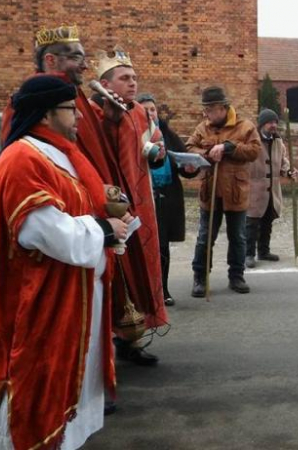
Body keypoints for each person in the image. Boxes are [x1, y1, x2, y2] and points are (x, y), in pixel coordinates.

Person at [0, 76, 131, 449]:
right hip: (43, 301)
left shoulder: (60, 152)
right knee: (34, 394)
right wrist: (103, 229)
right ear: (46, 114)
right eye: (71, 110)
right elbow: (43, 232)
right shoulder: (23, 158)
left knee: (68, 396)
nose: (79, 117)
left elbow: (78, 208)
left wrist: (110, 216)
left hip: (74, 296)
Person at [1, 28, 169, 368]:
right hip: (68, 217)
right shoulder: (34, 100)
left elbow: (96, 150)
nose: (84, 64)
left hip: (98, 210)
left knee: (109, 289)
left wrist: (112, 121)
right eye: (77, 56)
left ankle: (112, 348)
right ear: (51, 60)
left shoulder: (78, 98)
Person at [90, 47, 168, 365]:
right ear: (106, 84)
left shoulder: (140, 112)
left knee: (139, 271)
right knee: (114, 273)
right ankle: (100, 346)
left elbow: (156, 142)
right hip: (108, 204)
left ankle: (131, 339)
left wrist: (158, 152)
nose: (133, 83)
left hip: (142, 201)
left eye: (134, 77)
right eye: (124, 78)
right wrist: (111, 119)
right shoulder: (93, 113)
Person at [187, 85, 261, 297]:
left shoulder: (245, 126)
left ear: (222, 108)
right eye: (205, 110)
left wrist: (229, 148)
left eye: (210, 110)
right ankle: (200, 277)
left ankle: (236, 276)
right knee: (205, 237)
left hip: (236, 191)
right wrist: (208, 152)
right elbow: (190, 147)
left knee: (237, 237)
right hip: (210, 190)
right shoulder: (203, 128)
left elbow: (254, 151)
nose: (206, 114)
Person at [137, 94, 196, 306]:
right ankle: (143, 292)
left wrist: (190, 169)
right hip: (143, 198)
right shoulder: (134, 134)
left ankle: (163, 290)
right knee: (142, 247)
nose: (150, 114)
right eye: (144, 110)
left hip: (166, 199)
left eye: (152, 109)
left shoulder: (167, 135)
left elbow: (183, 161)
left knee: (162, 246)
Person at [245, 108, 298, 269]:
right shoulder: (252, 141)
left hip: (272, 190)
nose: (273, 125)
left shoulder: (278, 142)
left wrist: (289, 172)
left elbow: (283, 162)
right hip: (254, 190)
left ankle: (263, 251)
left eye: (275, 122)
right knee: (252, 224)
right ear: (262, 124)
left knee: (267, 222)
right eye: (269, 122)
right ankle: (248, 254)